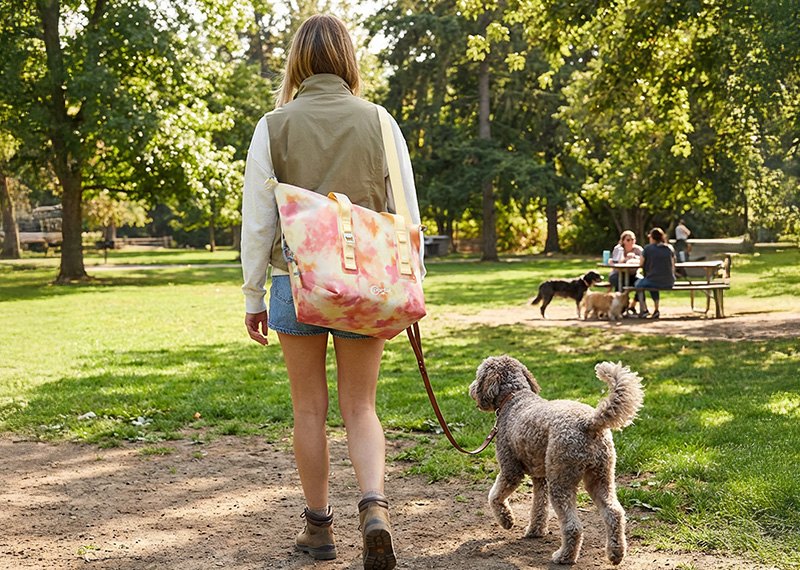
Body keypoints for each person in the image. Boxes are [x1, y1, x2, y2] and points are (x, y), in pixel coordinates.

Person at [240, 14, 424, 570]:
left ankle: (319, 530)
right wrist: (412, 284)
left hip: (293, 284)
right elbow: (406, 210)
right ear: (348, 59)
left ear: (297, 60)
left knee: (309, 408)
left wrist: (253, 296)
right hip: (364, 284)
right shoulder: (380, 121)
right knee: (360, 405)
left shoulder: (273, 126)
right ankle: (374, 509)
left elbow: (258, 222)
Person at [634, 227, 675, 319]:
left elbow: (641, 263)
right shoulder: (669, 248)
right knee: (652, 284)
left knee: (638, 284)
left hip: (653, 279)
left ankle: (644, 309)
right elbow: (673, 264)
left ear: (652, 238)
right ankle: (656, 309)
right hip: (669, 281)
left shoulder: (648, 249)